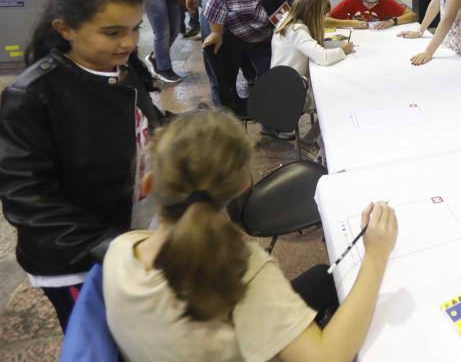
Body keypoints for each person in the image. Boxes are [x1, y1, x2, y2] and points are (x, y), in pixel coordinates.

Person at [104, 109, 398, 362]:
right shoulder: (242, 271)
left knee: (323, 279)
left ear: (148, 183)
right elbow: (327, 357)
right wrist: (376, 256)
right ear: (244, 185)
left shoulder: (120, 250)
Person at [0, 0, 163, 331]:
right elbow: (27, 200)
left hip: (127, 235)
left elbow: (148, 125)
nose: (129, 42)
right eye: (113, 32)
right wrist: (111, 247)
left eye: (135, 28)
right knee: (99, 342)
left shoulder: (120, 70)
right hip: (76, 261)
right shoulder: (33, 95)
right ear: (65, 29)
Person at [201, 0, 335, 120]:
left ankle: (270, 122)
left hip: (260, 31)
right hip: (224, 28)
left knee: (272, 77)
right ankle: (228, 124)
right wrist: (216, 32)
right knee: (224, 86)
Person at [272, 0, 354, 81]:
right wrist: (343, 50)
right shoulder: (297, 31)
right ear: (314, 15)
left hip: (280, 79)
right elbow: (323, 57)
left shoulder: (287, 20)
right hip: (288, 85)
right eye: (322, 15)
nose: (324, 19)